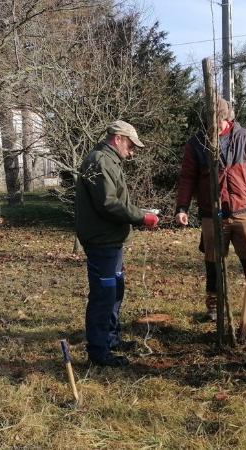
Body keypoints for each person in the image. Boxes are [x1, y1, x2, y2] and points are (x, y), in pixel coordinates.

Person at [175, 98, 246, 321]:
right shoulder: (196, 144)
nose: (215, 127)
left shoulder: (245, 137)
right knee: (213, 262)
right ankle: (213, 306)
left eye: (219, 121)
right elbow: (187, 178)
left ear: (227, 117)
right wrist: (182, 207)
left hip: (243, 210)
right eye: (211, 122)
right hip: (211, 214)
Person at [75, 120, 159, 367]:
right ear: (118, 138)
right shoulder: (100, 161)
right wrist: (141, 217)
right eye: (131, 146)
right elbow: (108, 204)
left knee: (115, 291)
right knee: (104, 294)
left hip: (111, 240)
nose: (131, 152)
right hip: (101, 241)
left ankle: (111, 339)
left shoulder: (110, 160)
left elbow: (113, 201)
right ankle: (99, 351)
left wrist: (137, 212)